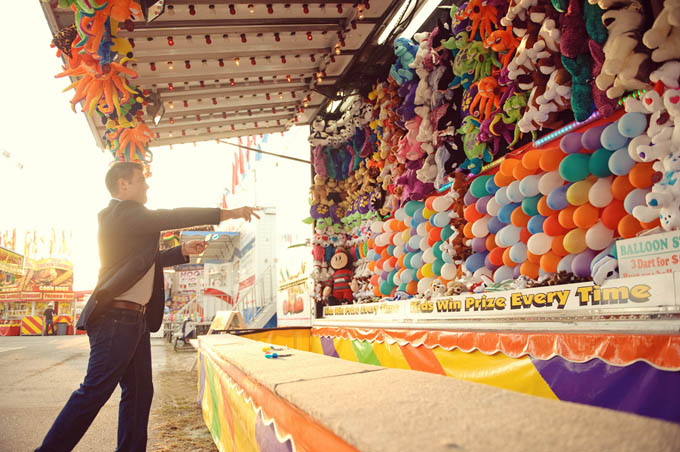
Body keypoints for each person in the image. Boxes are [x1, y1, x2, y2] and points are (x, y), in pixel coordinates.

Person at [35, 161, 260, 452]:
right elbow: (173, 216)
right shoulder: (121, 213)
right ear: (123, 185)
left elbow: (146, 261)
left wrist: (181, 251)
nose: (147, 185)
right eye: (141, 180)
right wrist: (229, 213)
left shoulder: (130, 222)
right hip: (116, 318)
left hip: (135, 320)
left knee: (140, 392)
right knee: (95, 391)